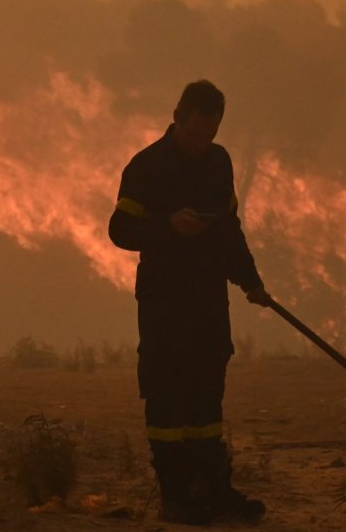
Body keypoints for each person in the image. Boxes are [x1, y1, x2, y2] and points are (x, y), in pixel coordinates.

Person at [108, 80, 270, 525]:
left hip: (207, 300)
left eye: (210, 135)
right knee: (167, 397)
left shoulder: (219, 164)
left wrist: (250, 280)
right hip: (164, 301)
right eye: (194, 133)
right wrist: (166, 225)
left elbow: (229, 231)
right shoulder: (146, 167)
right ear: (177, 116)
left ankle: (213, 490)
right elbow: (120, 229)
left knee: (205, 398)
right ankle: (176, 497)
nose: (202, 144)